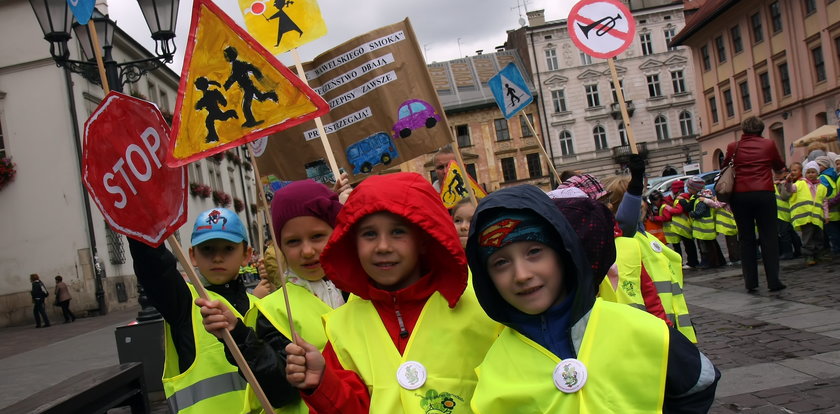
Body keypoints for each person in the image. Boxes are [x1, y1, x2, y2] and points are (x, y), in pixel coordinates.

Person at [465, 185, 718, 413]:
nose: (521, 275)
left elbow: (699, 382)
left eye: (534, 252)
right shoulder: (495, 366)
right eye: (500, 262)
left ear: (562, 253)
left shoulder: (639, 330)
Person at [284, 172, 501, 413]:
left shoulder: (483, 307)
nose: (383, 247)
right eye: (369, 234)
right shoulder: (341, 328)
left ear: (423, 238)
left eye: (398, 232)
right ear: (352, 243)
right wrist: (323, 383)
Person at [199, 180, 344, 413]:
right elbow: (279, 392)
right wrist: (239, 335)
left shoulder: (360, 294)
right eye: (293, 241)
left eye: (317, 236)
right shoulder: (272, 310)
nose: (307, 251)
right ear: (281, 247)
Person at [127, 208, 261, 413]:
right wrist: (140, 214)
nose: (217, 257)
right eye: (207, 249)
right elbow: (154, 266)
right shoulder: (184, 302)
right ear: (193, 255)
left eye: (228, 248)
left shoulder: (260, 306)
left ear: (246, 255)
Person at [723, 116, 787, 292]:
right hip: (764, 193)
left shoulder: (733, 147)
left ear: (743, 129)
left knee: (746, 239)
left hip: (740, 195)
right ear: (761, 129)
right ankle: (773, 280)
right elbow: (779, 165)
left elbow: (725, 166)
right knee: (769, 237)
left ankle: (751, 282)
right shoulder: (769, 144)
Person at [785, 161, 828, 266]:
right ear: (805, 174)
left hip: (817, 217)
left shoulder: (822, 187)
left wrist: (826, 215)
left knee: (819, 236)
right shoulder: (800, 183)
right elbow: (790, 190)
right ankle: (808, 255)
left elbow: (824, 202)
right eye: (808, 172)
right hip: (804, 217)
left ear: (817, 173)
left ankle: (818, 254)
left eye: (813, 172)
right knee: (807, 237)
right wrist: (788, 182)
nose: (811, 174)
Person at [686, 178, 726, 268]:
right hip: (707, 227)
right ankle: (719, 261)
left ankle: (710, 263)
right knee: (713, 245)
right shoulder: (705, 196)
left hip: (704, 228)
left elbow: (699, 212)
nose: (688, 190)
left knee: (707, 248)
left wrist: (692, 214)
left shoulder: (701, 199)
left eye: (689, 188)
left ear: (694, 189)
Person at [777, 163, 802, 260]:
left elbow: (785, 196)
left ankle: (788, 252)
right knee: (790, 232)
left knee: (785, 233)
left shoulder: (787, 182)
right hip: (782, 212)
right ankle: (798, 249)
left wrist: (782, 184)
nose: (777, 174)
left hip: (784, 213)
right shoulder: (780, 182)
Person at [816, 154, 840, 255]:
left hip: (829, 210)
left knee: (833, 234)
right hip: (835, 210)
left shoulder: (822, 178)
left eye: (819, 165)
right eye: (837, 164)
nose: (838, 166)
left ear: (824, 166)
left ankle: (836, 250)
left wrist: (827, 204)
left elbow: (822, 193)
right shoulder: (833, 175)